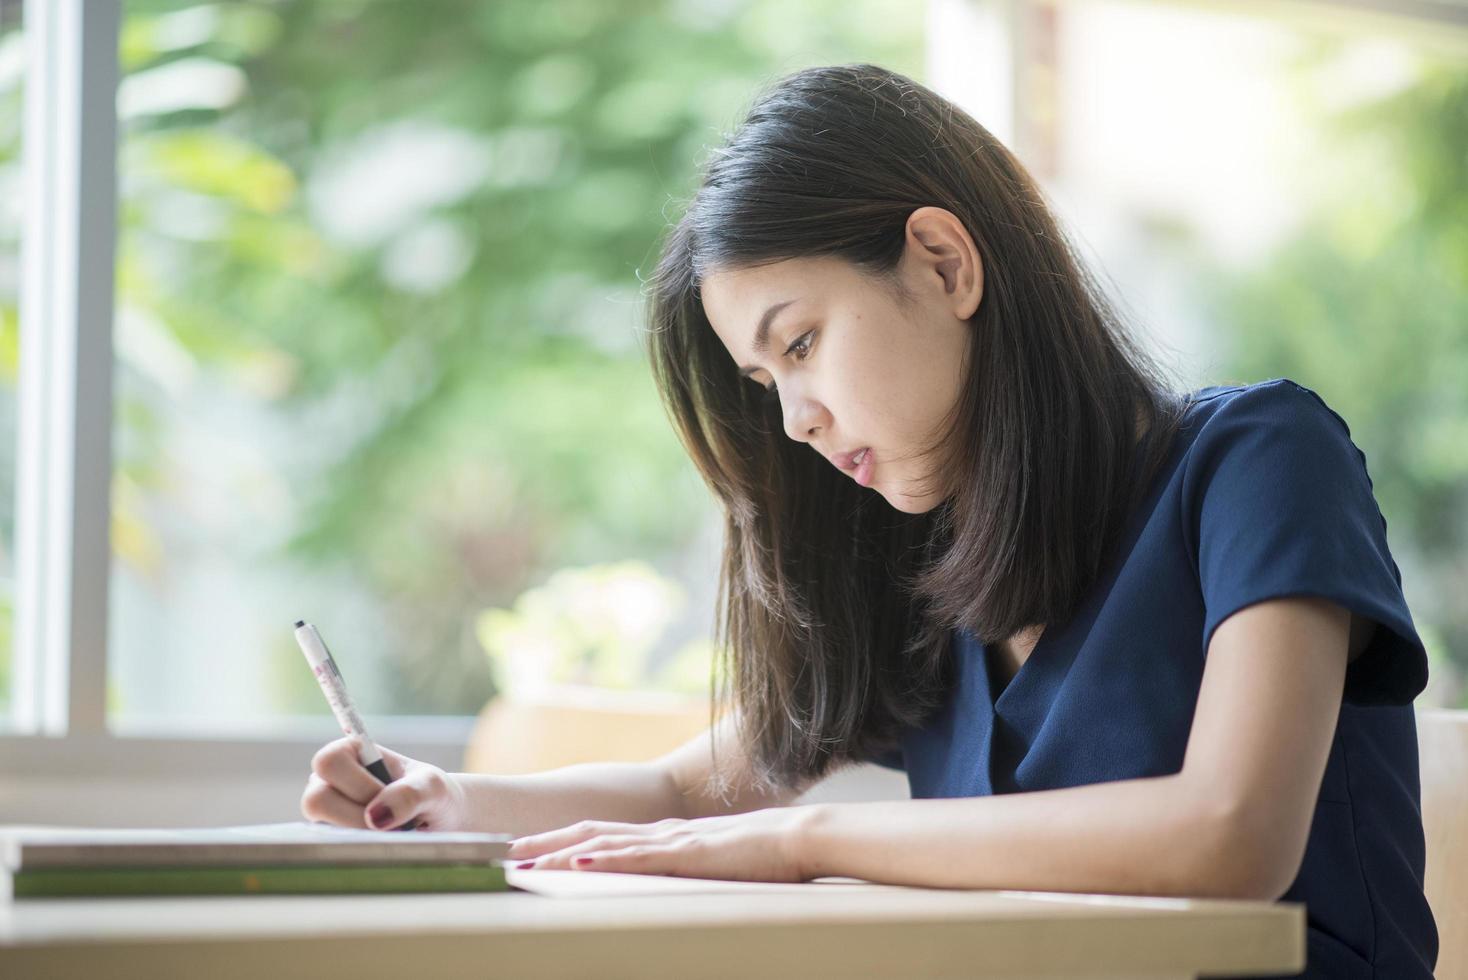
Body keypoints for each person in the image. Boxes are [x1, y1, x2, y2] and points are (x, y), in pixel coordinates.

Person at [302, 64, 1436, 978]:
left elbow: (1228, 837)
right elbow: (683, 792)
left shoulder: (1257, 460)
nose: (795, 418)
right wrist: (440, 800)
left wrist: (805, 840)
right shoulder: (925, 567)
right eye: (765, 381)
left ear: (943, 262)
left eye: (798, 343)